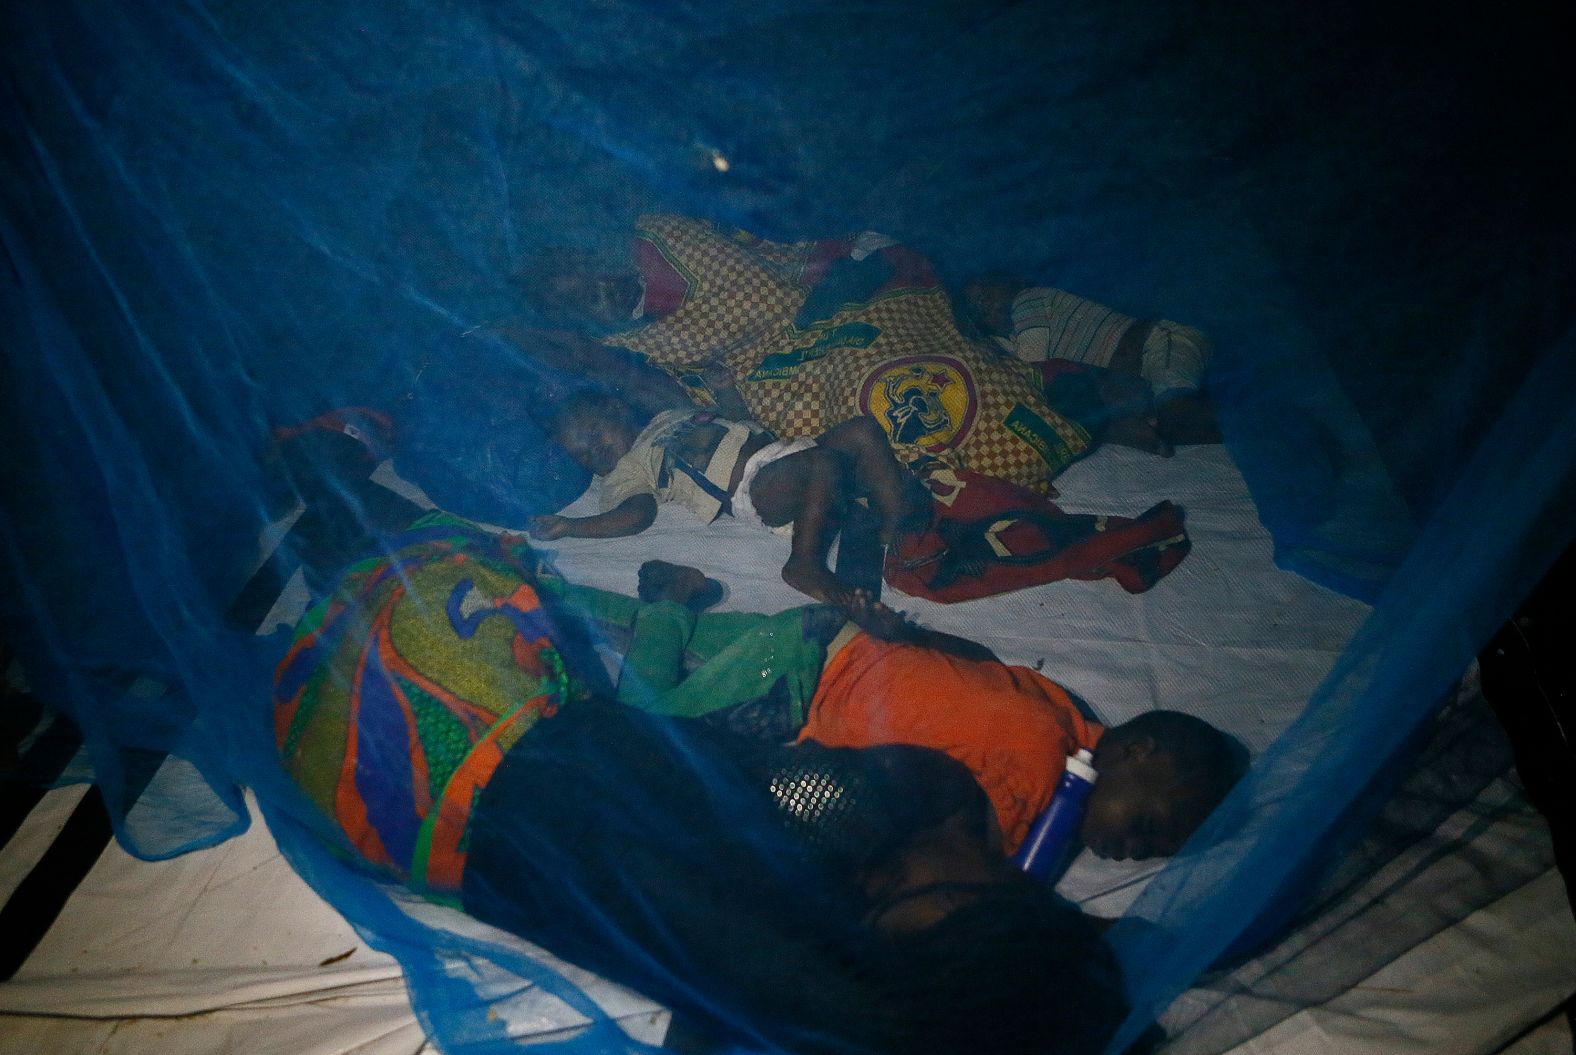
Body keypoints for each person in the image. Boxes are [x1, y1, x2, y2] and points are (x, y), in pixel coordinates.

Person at [272, 514, 1131, 1055]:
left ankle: (347, 530)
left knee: (440, 588)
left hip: (448, 754)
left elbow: (801, 806)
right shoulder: (844, 895)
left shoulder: (847, 873)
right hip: (411, 801)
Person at [545, 560, 1247, 862]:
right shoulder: (1039, 762)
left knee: (620, 626)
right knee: (643, 737)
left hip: (819, 641)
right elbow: (968, 861)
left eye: (1153, 850)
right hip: (797, 684)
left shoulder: (1059, 712)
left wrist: (906, 638)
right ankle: (673, 602)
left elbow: (971, 660)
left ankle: (522, 578)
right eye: (1147, 825)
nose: (1134, 850)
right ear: (1138, 753)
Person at [528, 385, 929, 608]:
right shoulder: (629, 468)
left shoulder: (670, 417)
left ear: (616, 406)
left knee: (862, 430)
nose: (593, 451)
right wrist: (571, 525)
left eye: (594, 435)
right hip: (753, 488)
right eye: (582, 454)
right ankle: (803, 564)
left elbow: (735, 421)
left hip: (786, 451)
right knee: (824, 464)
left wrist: (726, 391)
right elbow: (635, 515)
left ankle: (895, 533)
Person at [961, 278, 1223, 450]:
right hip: (1131, 374)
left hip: (1161, 339)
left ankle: (1250, 435)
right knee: (1073, 403)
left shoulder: (1028, 300)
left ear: (1012, 281)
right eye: (976, 309)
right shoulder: (1011, 338)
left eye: (985, 293)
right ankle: (1141, 424)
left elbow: (1032, 365)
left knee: (1178, 409)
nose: (983, 306)